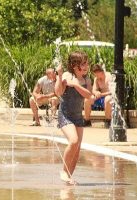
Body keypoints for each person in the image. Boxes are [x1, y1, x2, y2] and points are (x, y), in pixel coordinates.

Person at [55, 51, 92, 185]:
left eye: (87, 63)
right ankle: (64, 171)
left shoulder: (86, 79)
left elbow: (89, 95)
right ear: (74, 65)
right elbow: (58, 92)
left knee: (77, 148)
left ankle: (69, 177)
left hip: (77, 116)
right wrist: (59, 76)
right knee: (74, 140)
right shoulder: (66, 75)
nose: (87, 66)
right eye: (84, 63)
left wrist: (75, 84)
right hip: (65, 115)